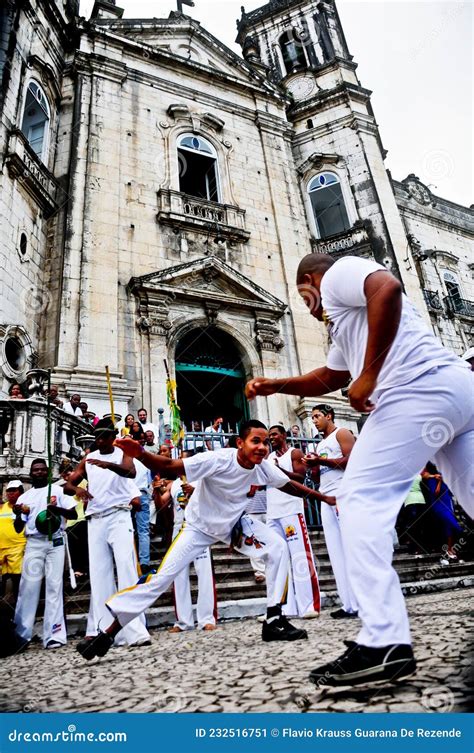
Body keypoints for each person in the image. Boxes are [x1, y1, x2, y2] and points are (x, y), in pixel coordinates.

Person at [246, 252, 473, 687]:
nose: (308, 307)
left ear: (312, 279)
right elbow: (329, 377)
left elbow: (386, 286)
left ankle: (383, 640)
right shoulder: (345, 322)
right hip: (457, 392)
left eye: (303, 295)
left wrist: (368, 375)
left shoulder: (336, 279)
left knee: (358, 499)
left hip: (417, 391)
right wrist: (277, 383)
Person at [76, 420, 336, 660]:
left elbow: (288, 484)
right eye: (255, 441)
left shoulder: (263, 467)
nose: (262, 447)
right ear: (239, 443)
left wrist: (322, 498)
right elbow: (169, 467)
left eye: (266, 442)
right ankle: (106, 635)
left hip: (234, 525)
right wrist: (140, 453)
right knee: (161, 580)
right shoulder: (217, 460)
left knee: (277, 548)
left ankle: (273, 621)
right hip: (197, 528)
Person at [64, 419, 150, 649]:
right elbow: (68, 485)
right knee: (100, 574)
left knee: (126, 569)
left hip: (119, 516)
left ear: (113, 436)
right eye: (96, 437)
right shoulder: (88, 459)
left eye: (103, 437)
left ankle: (134, 630)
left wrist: (107, 465)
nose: (99, 441)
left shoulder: (123, 452)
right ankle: (100, 629)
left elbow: (130, 472)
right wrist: (78, 488)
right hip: (95, 520)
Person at [14, 459, 77, 648]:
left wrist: (56, 509)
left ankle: (54, 634)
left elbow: (73, 514)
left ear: (48, 472)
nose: (39, 472)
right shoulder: (24, 497)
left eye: (43, 470)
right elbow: (18, 528)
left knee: (54, 586)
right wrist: (18, 514)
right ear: (31, 473)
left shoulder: (58, 491)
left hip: (55, 541)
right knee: (28, 587)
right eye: (36, 470)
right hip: (34, 542)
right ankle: (21, 635)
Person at [304, 405, 358, 619]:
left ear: (329, 416)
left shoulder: (341, 433)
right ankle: (348, 604)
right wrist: (312, 467)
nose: (314, 420)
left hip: (343, 495)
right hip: (325, 497)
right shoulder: (319, 444)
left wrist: (321, 460)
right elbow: (319, 476)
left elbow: (352, 461)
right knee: (335, 551)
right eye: (312, 417)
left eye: (317, 416)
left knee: (351, 547)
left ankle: (363, 601)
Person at [266, 425, 320, 619]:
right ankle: (284, 608)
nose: (271, 437)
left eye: (274, 434)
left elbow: (300, 477)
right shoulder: (268, 458)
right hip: (272, 512)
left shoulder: (294, 453)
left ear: (284, 435)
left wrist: (279, 471)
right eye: (269, 435)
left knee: (300, 556)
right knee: (278, 559)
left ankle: (308, 606)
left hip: (290, 510)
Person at [166, 460, 217, 632]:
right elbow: (161, 504)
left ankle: (206, 619)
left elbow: (214, 501)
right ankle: (183, 621)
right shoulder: (173, 485)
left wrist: (195, 491)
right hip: (178, 531)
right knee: (178, 575)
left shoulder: (203, 481)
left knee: (204, 574)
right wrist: (158, 492)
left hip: (199, 531)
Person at [421, 462, 463, 563]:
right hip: (439, 506)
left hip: (448, 504)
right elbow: (435, 493)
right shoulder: (433, 479)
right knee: (456, 527)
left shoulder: (445, 479)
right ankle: (448, 549)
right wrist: (439, 481)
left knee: (448, 527)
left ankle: (450, 550)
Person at [0, 480, 26, 609]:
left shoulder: (24, 507)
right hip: (1, 549)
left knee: (17, 579)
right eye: (8, 491)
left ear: (21, 492)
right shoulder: (2, 507)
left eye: (14, 490)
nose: (10, 493)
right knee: (3, 579)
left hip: (17, 547)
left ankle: (19, 607)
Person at [245, 483, 267, 584]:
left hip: (271, 510)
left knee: (271, 542)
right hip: (251, 511)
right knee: (255, 544)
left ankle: (272, 569)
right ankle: (259, 572)